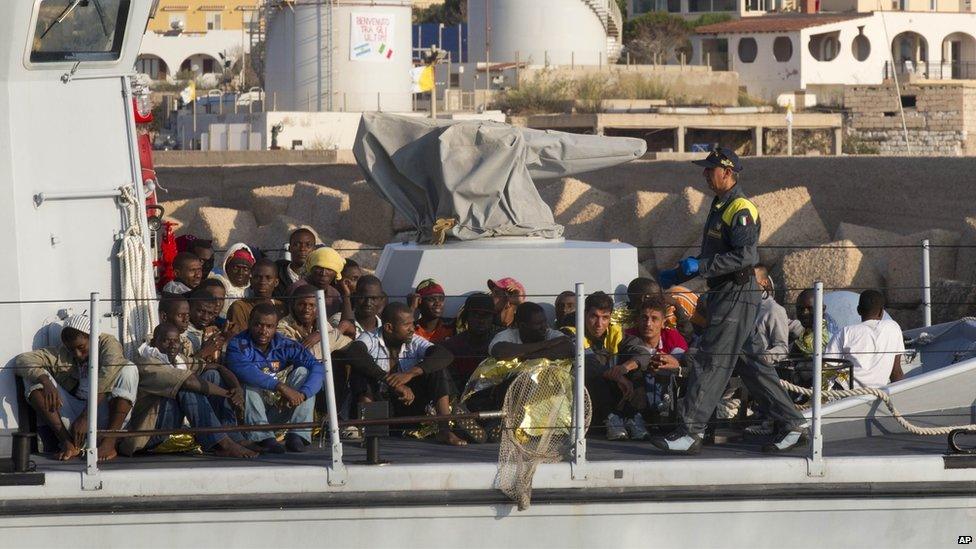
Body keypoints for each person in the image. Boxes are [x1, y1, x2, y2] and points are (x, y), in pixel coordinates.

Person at [651, 147, 807, 455]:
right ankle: (792, 424)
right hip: (727, 292)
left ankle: (689, 432)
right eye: (706, 170)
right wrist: (682, 272)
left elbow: (746, 256)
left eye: (711, 169)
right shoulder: (720, 204)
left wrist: (702, 267)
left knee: (710, 359)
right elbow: (718, 254)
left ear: (728, 172)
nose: (706, 174)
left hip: (735, 294)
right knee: (750, 364)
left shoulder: (740, 207)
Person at [121, 323, 257, 458]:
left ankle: (231, 436)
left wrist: (237, 389)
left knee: (212, 375)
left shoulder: (178, 359)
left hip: (172, 425)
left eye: (176, 341)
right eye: (166, 341)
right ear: (154, 342)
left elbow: (218, 367)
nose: (172, 345)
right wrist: (229, 395)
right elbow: (189, 381)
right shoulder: (148, 362)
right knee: (187, 388)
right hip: (149, 435)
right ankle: (224, 444)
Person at [14, 315, 139, 461]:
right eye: (72, 350)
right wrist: (45, 380)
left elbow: (108, 376)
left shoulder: (108, 343)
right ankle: (68, 443)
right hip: (76, 414)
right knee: (33, 379)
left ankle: (109, 443)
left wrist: (86, 417)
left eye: (81, 348)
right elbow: (22, 360)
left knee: (128, 368)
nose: (77, 355)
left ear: (93, 337)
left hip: (105, 412)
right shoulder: (64, 353)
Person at [347, 302, 466, 446]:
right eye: (407, 325)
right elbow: (353, 353)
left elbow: (444, 355)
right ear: (389, 328)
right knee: (361, 372)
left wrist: (411, 373)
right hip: (378, 404)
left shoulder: (413, 340)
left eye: (412, 324)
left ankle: (445, 430)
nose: (412, 329)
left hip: (408, 403)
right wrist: (389, 380)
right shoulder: (370, 338)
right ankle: (370, 434)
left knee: (437, 368)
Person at [225, 303, 325, 453]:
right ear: (249, 323)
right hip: (247, 415)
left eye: (269, 326)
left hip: (279, 406)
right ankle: (262, 438)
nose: (263, 331)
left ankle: (298, 435)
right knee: (250, 384)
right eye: (258, 325)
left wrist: (302, 394)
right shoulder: (237, 344)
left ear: (276, 326)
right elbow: (244, 371)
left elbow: (317, 367)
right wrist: (282, 388)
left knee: (303, 372)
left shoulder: (285, 344)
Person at [606, 297, 689, 440]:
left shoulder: (672, 337)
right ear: (637, 320)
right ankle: (632, 418)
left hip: (666, 396)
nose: (648, 323)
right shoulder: (628, 336)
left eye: (654, 319)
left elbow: (688, 365)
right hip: (635, 393)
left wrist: (676, 364)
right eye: (644, 318)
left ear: (663, 323)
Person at [826, 290, 905, 388]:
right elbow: (896, 372)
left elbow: (827, 368)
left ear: (858, 310)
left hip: (844, 391)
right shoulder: (893, 328)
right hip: (875, 393)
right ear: (881, 312)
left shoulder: (845, 332)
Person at [443, 293, 499, 392]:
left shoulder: (501, 342)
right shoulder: (453, 346)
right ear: (467, 317)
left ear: (492, 318)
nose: (481, 320)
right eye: (476, 315)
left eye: (486, 315)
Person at [489, 302, 574, 362]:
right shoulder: (508, 335)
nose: (544, 327)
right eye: (538, 324)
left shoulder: (549, 333)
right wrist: (546, 344)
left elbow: (568, 348)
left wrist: (526, 357)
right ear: (522, 326)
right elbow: (499, 351)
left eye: (544, 321)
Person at [290, 246, 349, 325]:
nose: (323, 273)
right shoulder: (298, 289)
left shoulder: (335, 294)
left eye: (329, 269)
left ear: (336, 273)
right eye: (319, 268)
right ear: (311, 269)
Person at [226, 259, 284, 334]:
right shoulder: (239, 308)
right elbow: (241, 339)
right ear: (251, 281)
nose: (262, 282)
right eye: (258, 277)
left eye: (268, 278)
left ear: (276, 282)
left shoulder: (281, 307)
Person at [210, 243, 256, 315]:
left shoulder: (252, 290)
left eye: (245, 269)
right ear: (226, 266)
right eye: (236, 267)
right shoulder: (216, 283)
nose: (240, 273)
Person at [274, 228, 317, 299]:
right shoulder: (276, 274)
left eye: (308, 245)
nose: (302, 249)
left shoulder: (320, 277)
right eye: (297, 244)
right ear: (289, 248)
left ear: (314, 249)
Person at [411, 279, 455, 343]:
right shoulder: (412, 329)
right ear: (419, 302)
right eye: (431, 299)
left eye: (441, 299)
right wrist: (412, 308)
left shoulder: (451, 325)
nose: (438, 303)